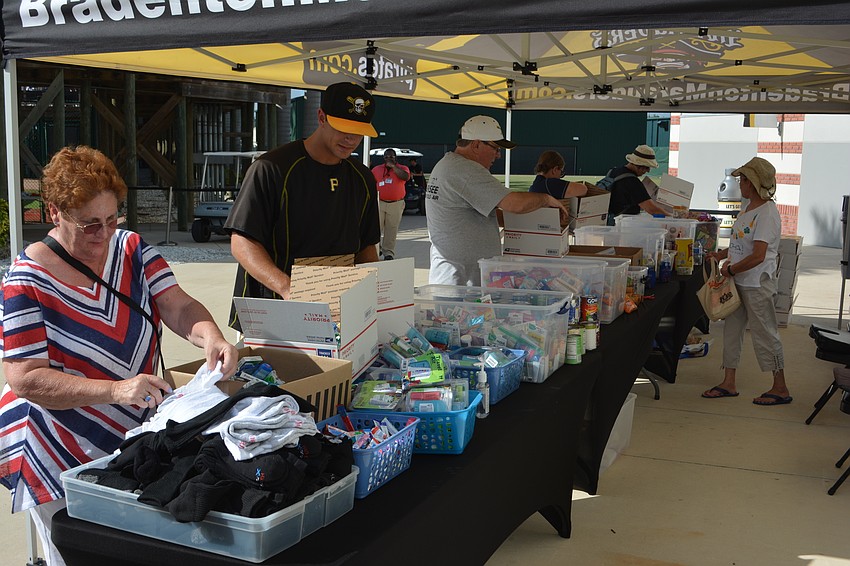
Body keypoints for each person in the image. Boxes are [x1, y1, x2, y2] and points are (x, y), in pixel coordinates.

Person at [0, 146, 239, 566]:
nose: (103, 235)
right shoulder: (25, 280)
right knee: (78, 554)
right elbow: (25, 377)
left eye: (112, 220)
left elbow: (178, 306)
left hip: (130, 435)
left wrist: (210, 336)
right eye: (89, 224)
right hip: (54, 446)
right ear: (54, 212)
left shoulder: (131, 249)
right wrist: (116, 389)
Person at [224, 82, 381, 330]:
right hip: (273, 309)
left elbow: (366, 247)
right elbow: (242, 243)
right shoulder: (271, 168)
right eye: (343, 128)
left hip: (338, 310)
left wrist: (375, 294)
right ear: (321, 117)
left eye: (359, 131)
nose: (351, 138)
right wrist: (289, 289)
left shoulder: (363, 178)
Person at [426, 115, 568, 286]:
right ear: (476, 144)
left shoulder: (450, 165)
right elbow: (513, 204)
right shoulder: (465, 169)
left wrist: (542, 222)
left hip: (458, 278)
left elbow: (492, 214)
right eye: (495, 148)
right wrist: (546, 199)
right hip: (460, 283)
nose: (498, 155)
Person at [701, 156, 791, 406]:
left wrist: (731, 270)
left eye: (743, 179)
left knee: (765, 333)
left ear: (753, 183)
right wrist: (720, 256)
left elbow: (759, 255)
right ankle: (728, 382)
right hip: (740, 282)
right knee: (732, 332)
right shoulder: (747, 208)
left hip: (755, 283)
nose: (740, 183)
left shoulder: (767, 213)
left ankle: (780, 387)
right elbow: (740, 245)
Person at [606, 144, 669, 225]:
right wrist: (673, 218)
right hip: (624, 224)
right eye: (647, 167)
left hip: (611, 219)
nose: (648, 171)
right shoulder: (632, 182)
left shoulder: (613, 171)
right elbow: (652, 209)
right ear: (638, 165)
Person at [372, 148, 410, 260]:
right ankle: (376, 249)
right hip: (380, 202)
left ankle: (388, 252)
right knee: (376, 228)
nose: (389, 158)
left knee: (391, 229)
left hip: (396, 204)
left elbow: (405, 177)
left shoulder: (403, 168)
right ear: (383, 158)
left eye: (392, 157)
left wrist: (393, 167)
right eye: (387, 157)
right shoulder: (376, 169)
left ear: (395, 158)